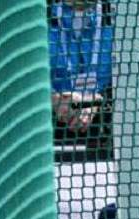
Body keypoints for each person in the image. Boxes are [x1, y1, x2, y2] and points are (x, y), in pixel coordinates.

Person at [48, 0, 114, 148]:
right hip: (46, 134)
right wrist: (52, 100)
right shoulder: (38, 16)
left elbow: (134, 81)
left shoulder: (118, 16)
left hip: (106, 136)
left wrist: (94, 103)